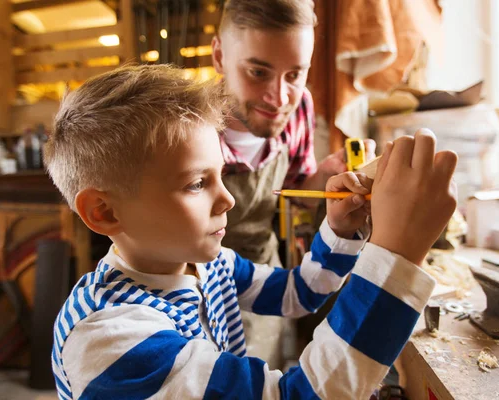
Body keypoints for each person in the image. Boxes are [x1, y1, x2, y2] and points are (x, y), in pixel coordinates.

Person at [47, 64, 457, 399]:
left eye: (220, 175)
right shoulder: (110, 340)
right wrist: (396, 255)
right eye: (196, 183)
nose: (229, 200)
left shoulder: (205, 266)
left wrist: (339, 229)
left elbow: (299, 292)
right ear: (104, 212)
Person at [212, 0, 376, 365]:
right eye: (258, 72)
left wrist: (326, 176)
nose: (280, 96)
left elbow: (295, 193)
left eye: (295, 74)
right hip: (200, 295)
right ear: (220, 56)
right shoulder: (188, 130)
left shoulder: (299, 106)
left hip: (270, 283)